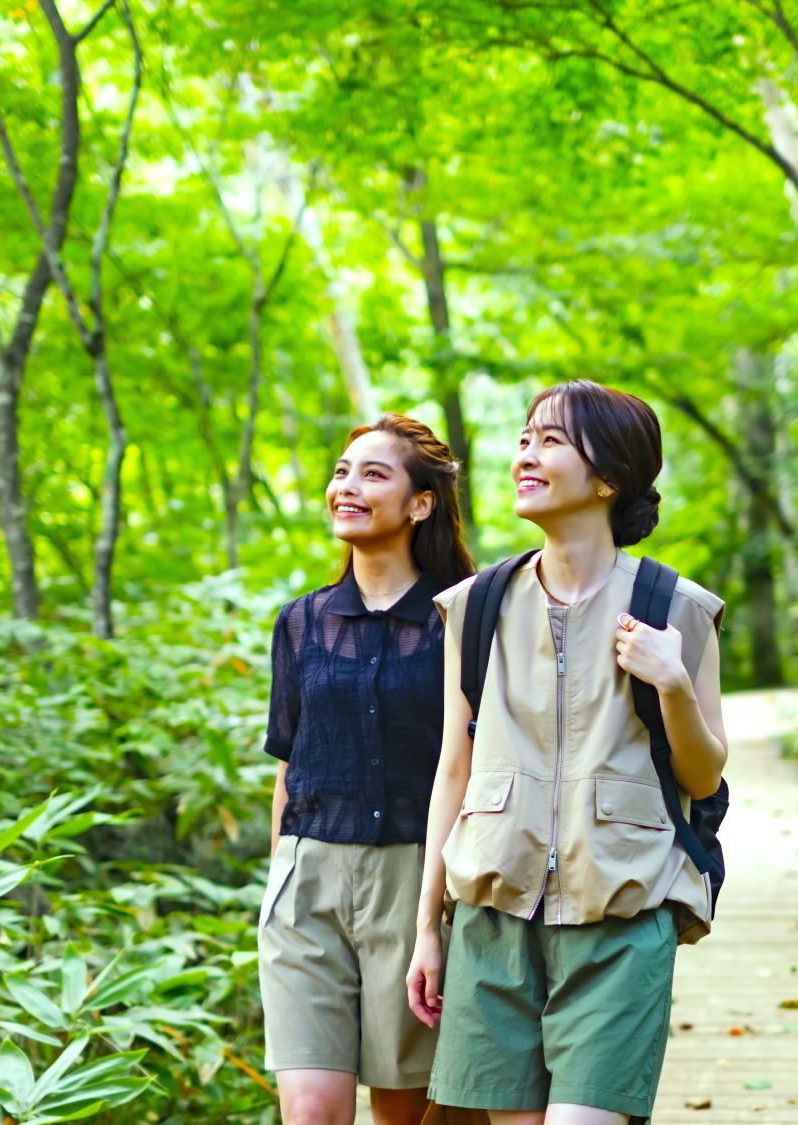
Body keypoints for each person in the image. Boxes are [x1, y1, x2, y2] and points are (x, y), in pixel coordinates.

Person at [407, 381, 729, 1125]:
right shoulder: (476, 604)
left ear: (609, 477)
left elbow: (702, 773)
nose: (526, 453)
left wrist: (673, 682)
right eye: (524, 437)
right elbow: (454, 766)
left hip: (622, 912)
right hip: (493, 921)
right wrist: (428, 925)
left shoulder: (678, 607)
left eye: (550, 440)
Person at [259, 413, 475, 1125]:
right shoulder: (300, 622)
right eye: (342, 470)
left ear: (421, 503)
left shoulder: (460, 622)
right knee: (312, 1111)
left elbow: (470, 763)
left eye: (372, 473)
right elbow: (289, 765)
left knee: (400, 1112)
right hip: (307, 881)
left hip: (414, 880)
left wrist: (439, 913)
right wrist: (277, 885)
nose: (346, 486)